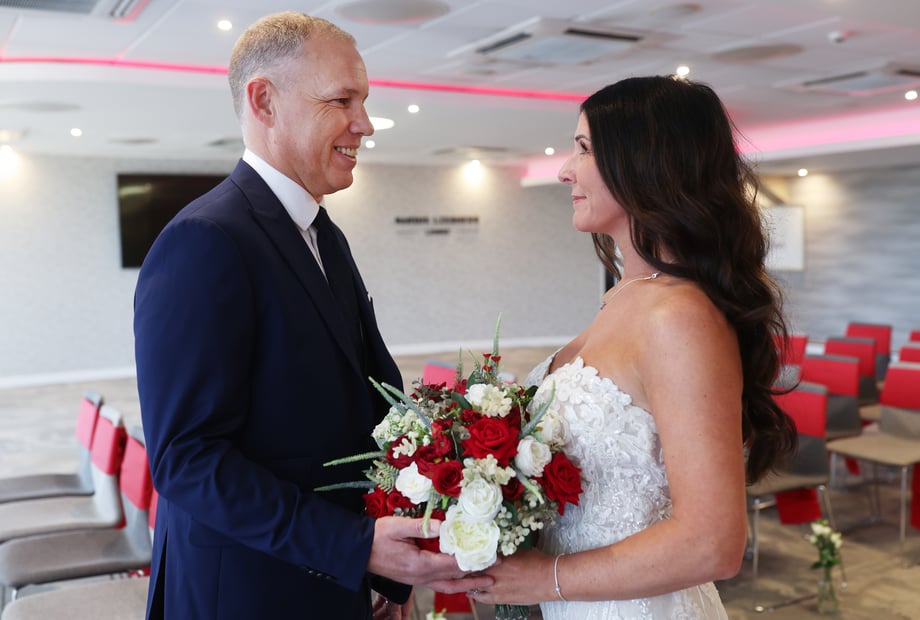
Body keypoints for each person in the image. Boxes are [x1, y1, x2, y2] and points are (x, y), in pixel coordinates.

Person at [133, 12, 489, 620]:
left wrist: (383, 573)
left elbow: (363, 409)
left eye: (364, 101)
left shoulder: (325, 235)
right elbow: (187, 460)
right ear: (264, 102)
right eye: (342, 101)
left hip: (332, 582)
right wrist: (354, 547)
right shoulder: (205, 240)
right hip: (246, 593)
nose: (365, 123)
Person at [472, 76, 797, 618]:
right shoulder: (625, 295)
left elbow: (713, 542)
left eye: (584, 148)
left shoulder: (679, 316)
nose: (564, 170)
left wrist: (545, 579)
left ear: (644, 164)